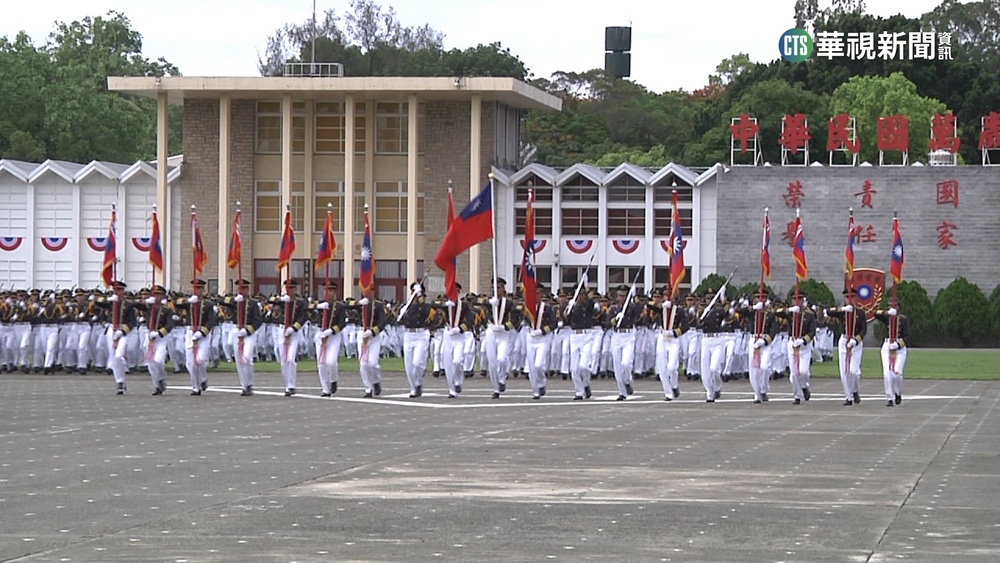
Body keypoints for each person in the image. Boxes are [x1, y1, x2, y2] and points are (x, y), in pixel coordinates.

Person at [220, 280, 264, 396]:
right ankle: (244, 385)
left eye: (244, 288)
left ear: (247, 289)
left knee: (247, 358)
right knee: (239, 360)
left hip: (248, 331)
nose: (241, 291)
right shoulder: (234, 302)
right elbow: (220, 301)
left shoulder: (253, 304)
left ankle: (249, 382)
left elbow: (258, 320)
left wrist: (248, 331)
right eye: (239, 288)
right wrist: (234, 300)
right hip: (236, 331)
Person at [826, 288, 867, 406]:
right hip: (844, 341)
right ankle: (848, 397)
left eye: (852, 297)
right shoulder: (842, 311)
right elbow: (828, 312)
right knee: (844, 371)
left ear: (855, 298)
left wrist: (856, 340)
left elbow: (864, 329)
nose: (850, 300)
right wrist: (843, 309)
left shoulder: (860, 313)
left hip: (855, 342)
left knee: (854, 371)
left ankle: (855, 391)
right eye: (848, 297)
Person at [397, 281, 437, 398]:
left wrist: (420, 296)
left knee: (417, 362)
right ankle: (414, 388)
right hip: (409, 335)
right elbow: (400, 320)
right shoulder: (406, 307)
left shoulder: (425, 307)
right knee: (409, 365)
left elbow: (427, 311)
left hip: (421, 334)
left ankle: (419, 381)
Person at [775, 294, 817, 405]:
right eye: (794, 300)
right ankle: (797, 396)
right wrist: (790, 309)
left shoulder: (809, 316)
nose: (796, 302)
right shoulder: (790, 314)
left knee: (803, 371)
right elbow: (777, 312)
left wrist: (803, 340)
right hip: (792, 343)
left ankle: (804, 386)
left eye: (799, 300)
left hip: (804, 345)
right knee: (794, 373)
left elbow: (812, 332)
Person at [650, 288, 689, 401]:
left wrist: (674, 332)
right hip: (662, 338)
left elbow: (686, 326)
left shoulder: (679, 311)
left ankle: (674, 385)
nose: (668, 297)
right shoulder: (661, 308)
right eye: (665, 296)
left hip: (673, 339)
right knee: (662, 367)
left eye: (670, 295)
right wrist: (659, 303)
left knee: (672, 367)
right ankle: (668, 393)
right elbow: (648, 306)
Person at [181, 279, 218, 396]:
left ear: (203, 290)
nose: (197, 291)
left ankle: (202, 378)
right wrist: (188, 300)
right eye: (195, 288)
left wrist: (202, 332)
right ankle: (195, 387)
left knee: (200, 360)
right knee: (191, 362)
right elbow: (175, 302)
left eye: (199, 288)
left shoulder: (208, 305)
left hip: (203, 334)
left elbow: (211, 321)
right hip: (190, 332)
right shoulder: (189, 303)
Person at [100, 281, 137, 395]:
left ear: (123, 291)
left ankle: (122, 377)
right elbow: (97, 302)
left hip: (123, 330)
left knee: (119, 355)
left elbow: (132, 322)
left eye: (119, 290)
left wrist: (122, 332)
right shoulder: (111, 302)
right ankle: (120, 382)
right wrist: (108, 300)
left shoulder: (129, 304)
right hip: (112, 329)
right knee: (113, 357)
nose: (117, 292)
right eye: (115, 290)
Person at [608, 284, 644, 401]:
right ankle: (622, 392)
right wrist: (615, 320)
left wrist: (635, 298)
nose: (621, 298)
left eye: (624, 296)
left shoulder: (632, 307)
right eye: (620, 296)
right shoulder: (613, 309)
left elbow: (640, 311)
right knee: (617, 367)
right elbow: (607, 323)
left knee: (626, 363)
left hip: (628, 336)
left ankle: (627, 381)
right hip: (617, 336)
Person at [484, 278, 518, 399]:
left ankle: (502, 378)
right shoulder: (489, 301)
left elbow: (514, 319)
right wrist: (489, 302)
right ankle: (495, 388)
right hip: (492, 331)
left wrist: (505, 327)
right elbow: (476, 301)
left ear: (503, 289)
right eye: (494, 288)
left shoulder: (508, 303)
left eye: (499, 288)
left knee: (502, 359)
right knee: (492, 362)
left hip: (503, 333)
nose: (496, 290)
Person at [523, 284, 557, 400]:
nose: (535, 296)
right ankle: (536, 390)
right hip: (531, 338)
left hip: (543, 338)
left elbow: (553, 324)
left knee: (538, 365)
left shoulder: (547, 308)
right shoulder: (528, 308)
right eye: (533, 294)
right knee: (532, 366)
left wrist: (542, 331)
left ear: (541, 294)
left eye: (537, 293)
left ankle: (542, 382)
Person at [565, 284, 600, 401]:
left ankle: (586, 384)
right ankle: (579, 392)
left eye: (582, 294)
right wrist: (568, 309)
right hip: (575, 336)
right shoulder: (572, 306)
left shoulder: (588, 305)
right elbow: (566, 319)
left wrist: (588, 295)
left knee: (584, 365)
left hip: (587, 335)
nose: (580, 296)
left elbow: (595, 310)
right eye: (578, 294)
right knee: (574, 368)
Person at [440, 283, 475, 398]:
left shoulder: (463, 306)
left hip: (458, 336)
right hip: (448, 335)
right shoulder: (445, 305)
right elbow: (432, 306)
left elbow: (470, 320)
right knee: (448, 362)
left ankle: (458, 382)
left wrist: (460, 329)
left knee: (457, 361)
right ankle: (452, 388)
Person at [355, 282, 389, 397]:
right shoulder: (360, 304)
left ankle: (376, 381)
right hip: (361, 333)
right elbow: (346, 305)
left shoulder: (379, 306)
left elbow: (382, 322)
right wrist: (359, 303)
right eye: (366, 291)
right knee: (363, 363)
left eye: (370, 290)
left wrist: (372, 331)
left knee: (372, 363)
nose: (368, 293)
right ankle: (368, 388)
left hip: (373, 335)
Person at [312, 281, 345, 397]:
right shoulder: (321, 304)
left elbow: (342, 323)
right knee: (321, 363)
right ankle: (325, 388)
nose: (328, 293)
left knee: (331, 361)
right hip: (320, 335)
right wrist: (317, 306)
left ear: (335, 292)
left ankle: (333, 379)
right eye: (327, 290)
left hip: (333, 336)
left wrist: (331, 331)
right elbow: (306, 307)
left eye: (331, 291)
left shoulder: (340, 306)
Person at [698, 288, 731, 403]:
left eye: (711, 298)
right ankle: (710, 393)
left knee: (714, 368)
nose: (709, 300)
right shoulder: (702, 311)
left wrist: (723, 302)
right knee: (705, 369)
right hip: (706, 340)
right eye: (707, 298)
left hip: (717, 340)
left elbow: (727, 317)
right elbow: (698, 324)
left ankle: (717, 387)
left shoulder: (718, 311)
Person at [744, 296, 778, 403]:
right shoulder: (752, 312)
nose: (760, 299)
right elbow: (739, 311)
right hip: (753, 341)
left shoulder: (770, 315)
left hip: (764, 342)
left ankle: (763, 389)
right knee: (754, 369)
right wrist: (754, 307)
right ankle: (757, 393)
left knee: (764, 367)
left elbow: (773, 331)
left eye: (763, 297)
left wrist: (764, 341)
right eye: (758, 297)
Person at [278, 279, 309, 396]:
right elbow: (270, 301)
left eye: (291, 288)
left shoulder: (301, 302)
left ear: (295, 289)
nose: (288, 290)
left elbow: (304, 316)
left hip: (294, 331)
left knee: (290, 358)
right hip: (282, 330)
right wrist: (281, 299)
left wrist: (294, 328)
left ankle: (291, 385)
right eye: (287, 288)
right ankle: (287, 384)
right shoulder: (282, 299)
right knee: (283, 360)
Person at [874, 306, 911, 407]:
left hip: (899, 347)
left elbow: (907, 336)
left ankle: (898, 392)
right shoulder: (887, 317)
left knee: (897, 373)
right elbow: (875, 313)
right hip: (887, 345)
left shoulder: (904, 320)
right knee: (887, 374)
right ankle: (889, 398)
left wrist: (899, 345)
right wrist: (887, 312)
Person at [143, 285, 175, 395]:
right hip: (150, 336)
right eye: (155, 294)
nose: (156, 297)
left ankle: (161, 378)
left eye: (159, 295)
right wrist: (146, 302)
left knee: (158, 360)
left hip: (161, 337)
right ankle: (157, 385)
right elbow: (135, 305)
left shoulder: (167, 310)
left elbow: (170, 325)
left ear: (163, 296)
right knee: (150, 363)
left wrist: (159, 333)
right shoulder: (148, 307)